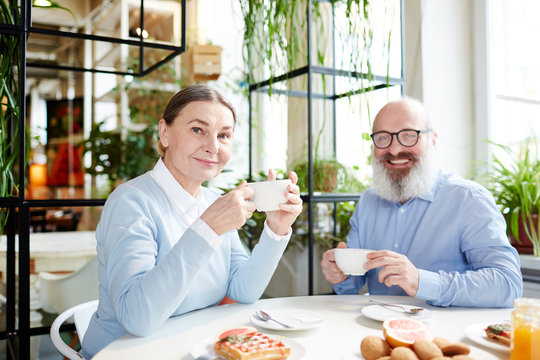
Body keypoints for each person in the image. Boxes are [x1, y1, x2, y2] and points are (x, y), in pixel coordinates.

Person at [82, 84, 303, 358]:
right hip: (121, 352)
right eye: (198, 130)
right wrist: (208, 227)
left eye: (223, 135)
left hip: (187, 348)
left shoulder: (213, 202)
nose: (212, 147)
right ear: (165, 133)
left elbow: (243, 290)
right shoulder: (131, 202)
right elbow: (137, 317)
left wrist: (277, 228)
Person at [321, 97, 523, 308]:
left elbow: (508, 285)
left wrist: (421, 281)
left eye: (409, 135)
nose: (395, 150)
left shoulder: (469, 199)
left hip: (445, 337)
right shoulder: (367, 202)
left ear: (433, 140)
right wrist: (340, 274)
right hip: (378, 332)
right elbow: (351, 284)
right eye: (382, 138)